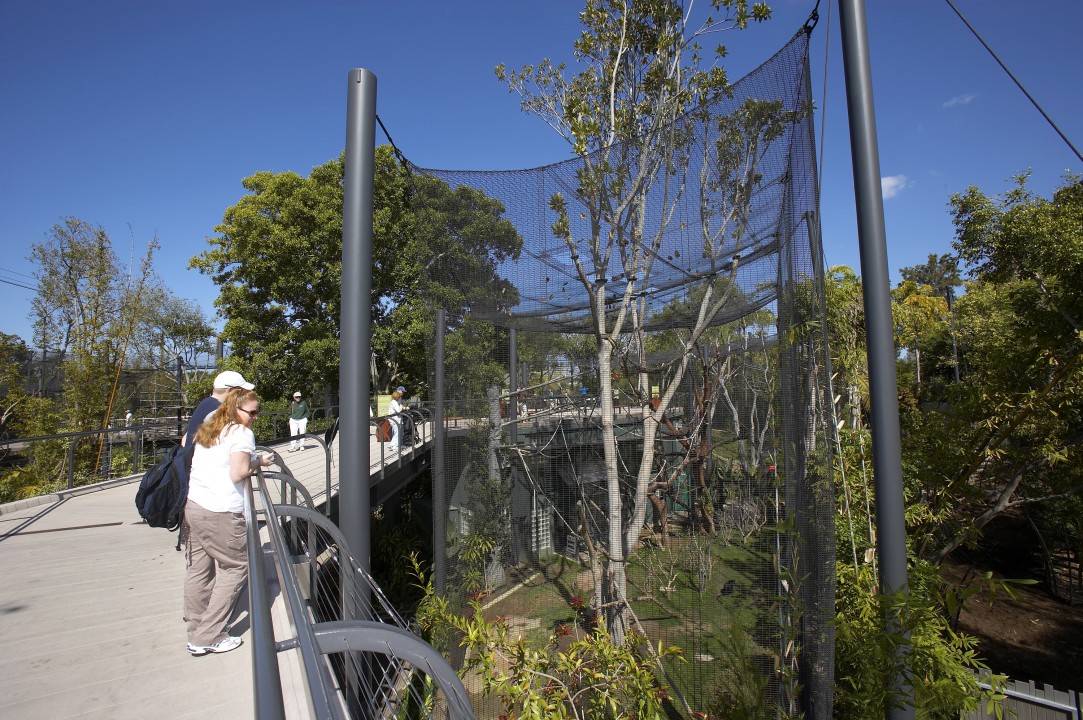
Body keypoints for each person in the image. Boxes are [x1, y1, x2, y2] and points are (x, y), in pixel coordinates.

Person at [184, 388, 273, 656]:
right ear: (236, 409)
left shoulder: (210, 427)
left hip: (195, 505)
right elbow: (238, 473)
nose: (255, 417)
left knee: (198, 569)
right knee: (237, 566)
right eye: (252, 412)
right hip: (221, 511)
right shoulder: (241, 433)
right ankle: (208, 635)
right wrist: (260, 461)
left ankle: (196, 628)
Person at [183, 370, 255, 447]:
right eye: (242, 391)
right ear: (230, 391)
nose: (244, 394)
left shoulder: (206, 403)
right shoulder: (219, 411)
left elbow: (185, 439)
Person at [388, 386, 409, 452]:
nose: (402, 394)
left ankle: (394, 444)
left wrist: (401, 406)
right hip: (395, 419)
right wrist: (402, 407)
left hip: (397, 419)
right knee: (397, 433)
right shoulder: (394, 402)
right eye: (401, 393)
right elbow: (398, 410)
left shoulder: (395, 402)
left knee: (398, 432)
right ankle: (394, 446)